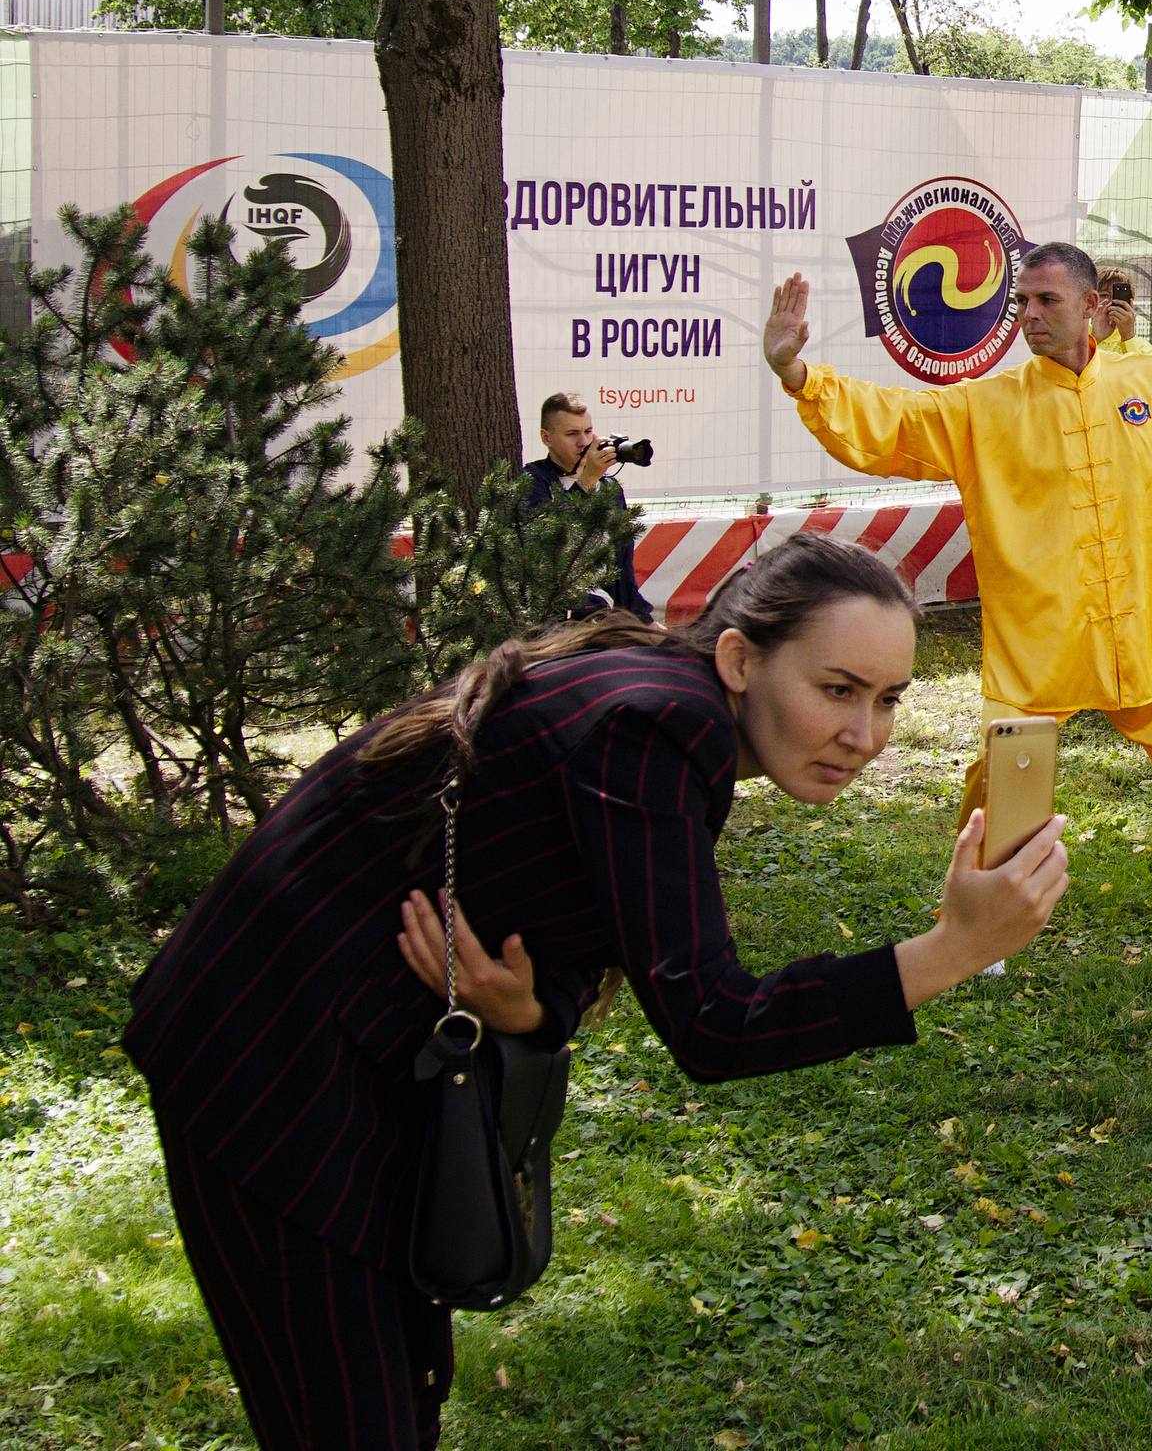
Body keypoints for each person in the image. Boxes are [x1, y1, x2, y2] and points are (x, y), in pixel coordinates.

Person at [122, 537, 1065, 1449]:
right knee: (349, 1418)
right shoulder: (660, 721)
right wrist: (950, 951)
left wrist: (533, 1011)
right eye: (837, 690)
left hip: (359, 1055)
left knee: (400, 1389)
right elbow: (714, 1025)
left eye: (889, 699)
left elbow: (580, 907)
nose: (865, 736)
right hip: (263, 1059)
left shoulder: (665, 703)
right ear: (740, 657)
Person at [765, 243, 1152, 916]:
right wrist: (799, 374)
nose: (1029, 316)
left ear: (1091, 307)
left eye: (1046, 301)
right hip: (1040, 646)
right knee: (1004, 777)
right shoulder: (986, 407)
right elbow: (895, 419)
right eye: (1021, 303)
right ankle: (984, 909)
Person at [519, 392, 653, 620]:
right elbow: (549, 545)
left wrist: (645, 623)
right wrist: (586, 481)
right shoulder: (533, 480)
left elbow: (622, 571)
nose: (583, 442)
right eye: (571, 434)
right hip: (554, 613)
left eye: (588, 432)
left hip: (605, 608)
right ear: (546, 437)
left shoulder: (608, 487)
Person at [1092, 266, 1140, 354]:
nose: (1111, 302)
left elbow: (1140, 367)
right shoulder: (1075, 337)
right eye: (1104, 295)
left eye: (1118, 296)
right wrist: (1095, 338)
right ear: (1091, 300)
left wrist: (1128, 336)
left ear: (1130, 302)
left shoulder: (1143, 347)